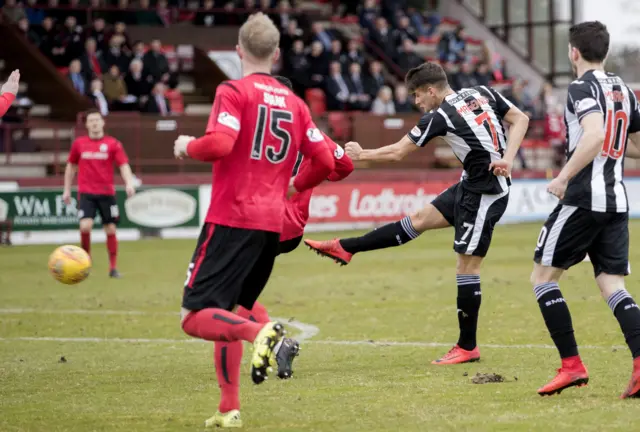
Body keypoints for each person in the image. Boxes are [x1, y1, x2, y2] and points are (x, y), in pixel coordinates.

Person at [305, 62, 530, 365]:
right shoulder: (481, 92)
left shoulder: (441, 116)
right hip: (471, 185)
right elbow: (520, 118)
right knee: (420, 220)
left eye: (417, 96)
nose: (416, 102)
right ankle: (347, 247)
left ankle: (467, 346)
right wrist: (509, 157)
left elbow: (398, 152)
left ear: (431, 90)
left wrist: (361, 154)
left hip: (486, 194)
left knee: (466, 268)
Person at [171, 13, 335, 428]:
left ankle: (260, 333)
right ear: (277, 54)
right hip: (269, 225)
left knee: (194, 317)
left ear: (238, 51)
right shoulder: (296, 105)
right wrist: (294, 187)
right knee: (232, 309)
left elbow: (220, 143)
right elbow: (328, 160)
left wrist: (187, 145)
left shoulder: (234, 91)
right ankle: (229, 409)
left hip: (231, 218)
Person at [530, 21, 640, 399]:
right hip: (617, 201)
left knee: (543, 278)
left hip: (583, 199)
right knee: (613, 286)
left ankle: (571, 366)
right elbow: (634, 143)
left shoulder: (580, 88)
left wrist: (563, 177)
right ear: (605, 52)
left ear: (572, 52)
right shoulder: (624, 89)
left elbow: (593, 134)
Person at [235, 75, 355, 380]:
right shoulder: (308, 129)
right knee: (238, 290)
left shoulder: (258, 128)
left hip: (263, 221)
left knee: (228, 292)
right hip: (292, 229)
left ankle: (276, 345)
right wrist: (307, 180)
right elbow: (343, 166)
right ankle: (273, 344)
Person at [62, 110, 136, 278]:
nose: (94, 123)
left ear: (103, 123)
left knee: (110, 229)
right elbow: (71, 167)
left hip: (106, 193)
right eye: (91, 120)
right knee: (85, 226)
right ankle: (85, 263)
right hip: (86, 193)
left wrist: (129, 183)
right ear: (87, 125)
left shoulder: (113, 144)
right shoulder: (79, 144)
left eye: (97, 120)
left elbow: (123, 165)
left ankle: (113, 268)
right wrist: (66, 189)